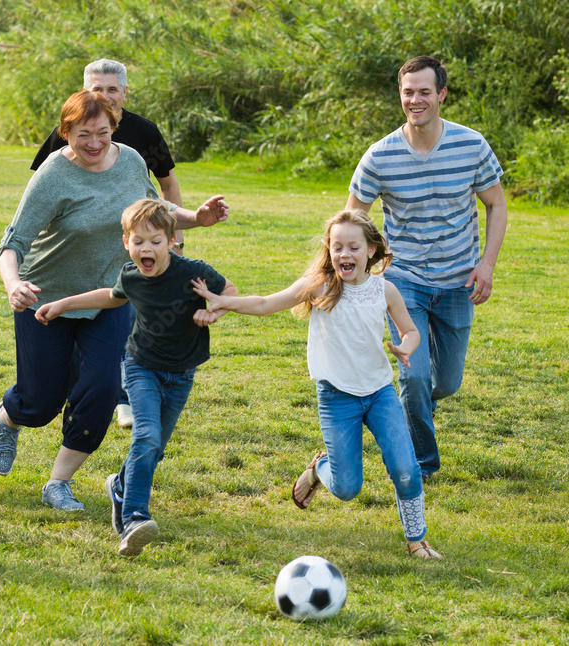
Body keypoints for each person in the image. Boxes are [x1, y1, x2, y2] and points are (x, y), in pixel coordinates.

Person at [0, 90, 229, 511]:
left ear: (114, 128)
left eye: (103, 132)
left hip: (113, 297)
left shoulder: (132, 160)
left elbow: (154, 212)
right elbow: (14, 242)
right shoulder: (53, 175)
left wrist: (197, 218)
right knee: (41, 400)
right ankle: (8, 416)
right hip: (46, 296)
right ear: (65, 133)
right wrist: (13, 284)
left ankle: (58, 482)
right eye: (84, 134)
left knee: (102, 388)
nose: (95, 143)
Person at [193, 209, 442, 559]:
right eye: (337, 246)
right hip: (337, 398)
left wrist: (406, 348)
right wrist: (225, 302)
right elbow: (267, 302)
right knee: (346, 488)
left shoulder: (384, 290)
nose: (344, 254)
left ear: (371, 250)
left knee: (405, 468)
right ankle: (319, 468)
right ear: (329, 249)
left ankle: (417, 540)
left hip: (379, 392)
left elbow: (411, 330)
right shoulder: (320, 286)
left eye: (353, 247)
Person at [35, 199, 237, 556]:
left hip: (182, 373)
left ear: (172, 241)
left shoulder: (193, 271)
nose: (147, 248)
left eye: (156, 241)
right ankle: (134, 518)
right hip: (141, 367)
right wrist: (64, 304)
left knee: (154, 448)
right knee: (146, 437)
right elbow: (112, 297)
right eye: (139, 241)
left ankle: (120, 486)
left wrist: (213, 310)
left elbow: (230, 291)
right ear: (126, 243)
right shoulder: (131, 275)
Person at [345, 55, 508, 479]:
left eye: (423, 92)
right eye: (407, 92)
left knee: (446, 383)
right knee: (414, 378)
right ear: (400, 95)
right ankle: (421, 465)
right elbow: (352, 218)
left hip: (458, 280)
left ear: (441, 95)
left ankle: (410, 410)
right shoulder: (380, 156)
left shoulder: (471, 145)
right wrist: (356, 271)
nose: (415, 100)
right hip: (404, 281)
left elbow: (496, 204)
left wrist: (486, 265)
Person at [32, 58, 186, 428]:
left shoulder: (144, 133)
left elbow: (167, 185)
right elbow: (42, 189)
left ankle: (123, 395)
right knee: (77, 323)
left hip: (134, 244)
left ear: (124, 92)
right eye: (96, 89)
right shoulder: (70, 131)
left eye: (112, 89)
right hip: (81, 249)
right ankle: (78, 391)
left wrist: (176, 237)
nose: (104, 96)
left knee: (129, 317)